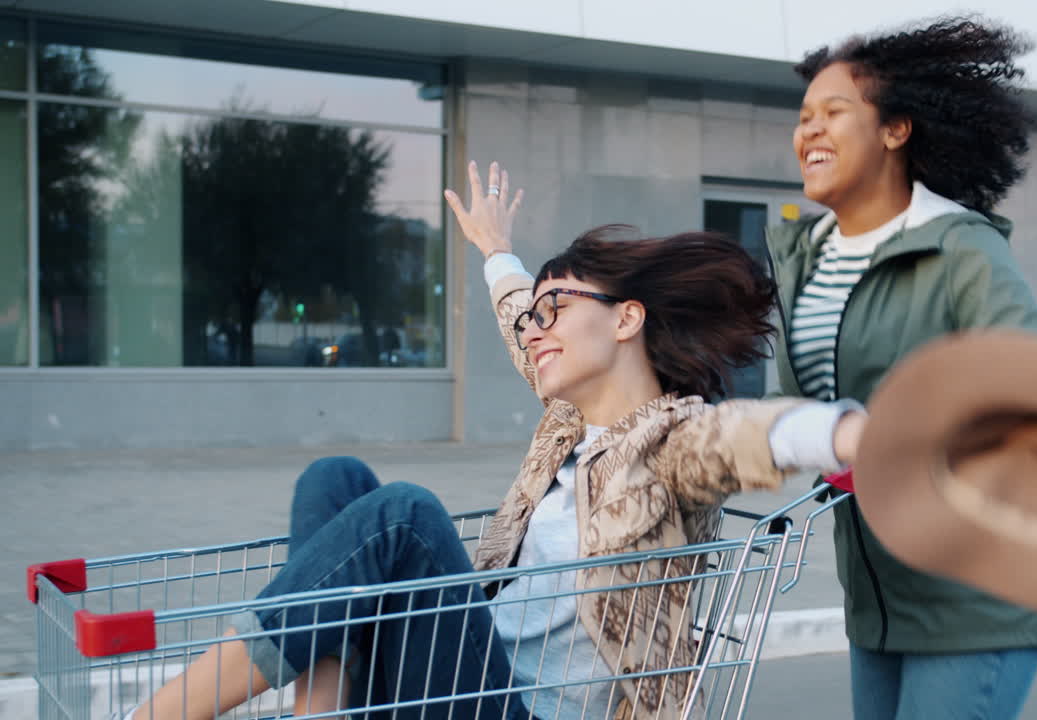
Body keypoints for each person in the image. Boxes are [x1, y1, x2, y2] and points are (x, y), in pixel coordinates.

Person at [112, 160, 868, 720]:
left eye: (555, 309)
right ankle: (322, 709)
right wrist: (496, 249)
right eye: (533, 318)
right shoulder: (567, 425)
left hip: (518, 710)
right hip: (466, 676)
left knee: (403, 517)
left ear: (628, 319)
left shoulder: (670, 441)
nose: (534, 330)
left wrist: (847, 432)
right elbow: (519, 320)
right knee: (337, 478)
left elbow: (746, 433)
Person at [766, 15, 1037, 720]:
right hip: (877, 599)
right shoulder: (804, 257)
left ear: (896, 130)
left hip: (974, 593)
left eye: (834, 112)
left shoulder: (960, 249)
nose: (809, 130)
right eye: (804, 117)